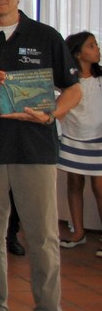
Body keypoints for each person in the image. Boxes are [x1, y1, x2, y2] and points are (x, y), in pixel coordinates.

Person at [0, 0, 80, 311]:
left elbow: (73, 88)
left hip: (35, 149)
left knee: (42, 236)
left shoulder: (46, 36)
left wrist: (54, 113)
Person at [58, 31, 102, 251]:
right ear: (77, 53)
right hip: (72, 137)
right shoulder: (68, 80)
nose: (97, 49)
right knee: (74, 184)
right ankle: (78, 232)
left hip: (98, 139)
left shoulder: (100, 79)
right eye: (91, 45)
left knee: (99, 187)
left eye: (96, 45)